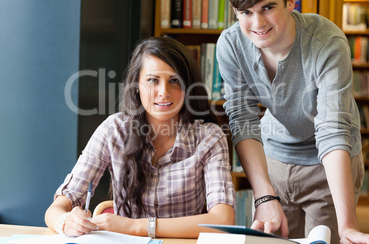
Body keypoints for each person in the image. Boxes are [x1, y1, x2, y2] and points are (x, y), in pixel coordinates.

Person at [216, 0, 369, 243]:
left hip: (328, 166)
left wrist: (348, 227)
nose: (257, 23)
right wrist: (264, 195)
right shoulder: (230, 44)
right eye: (245, 12)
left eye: (267, 8)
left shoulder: (327, 42)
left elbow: (333, 129)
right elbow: (242, 118)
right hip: (274, 159)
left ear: (290, 0)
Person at [45, 37, 236, 238]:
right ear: (136, 85)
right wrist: (66, 222)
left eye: (174, 81)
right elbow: (56, 208)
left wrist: (134, 227)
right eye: (153, 80)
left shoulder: (209, 137)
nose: (164, 93)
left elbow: (222, 220)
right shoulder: (114, 130)